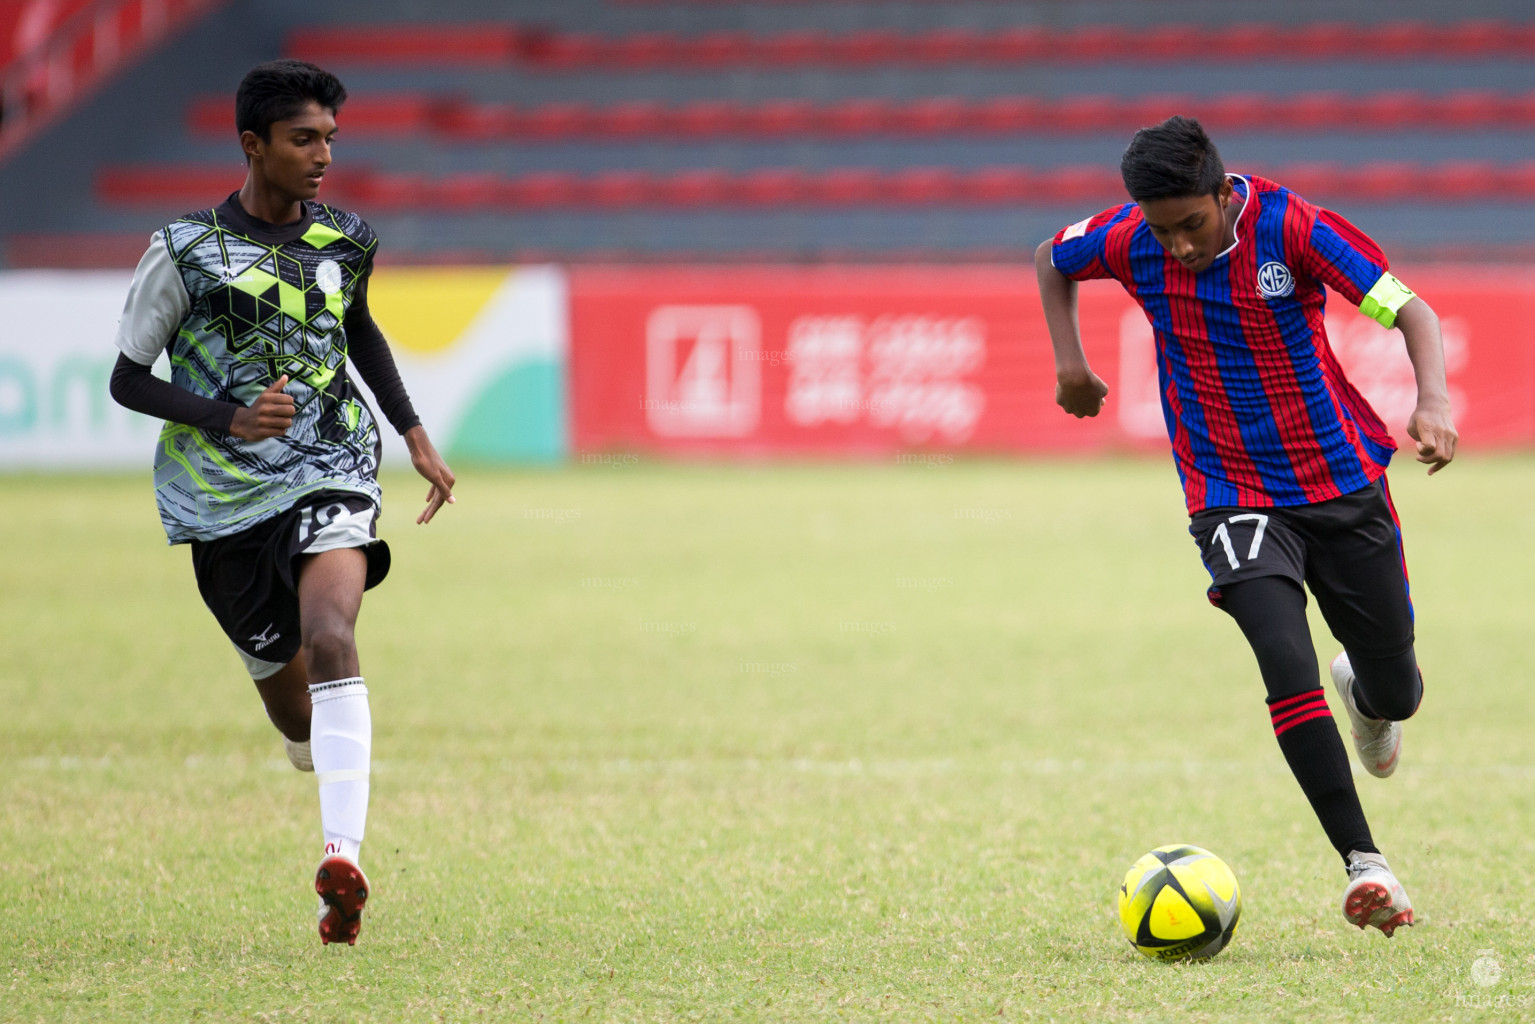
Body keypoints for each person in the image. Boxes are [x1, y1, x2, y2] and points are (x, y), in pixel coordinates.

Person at [1036, 116, 1457, 938]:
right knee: (1279, 654)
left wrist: (1432, 401)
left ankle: (1369, 699)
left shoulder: (1291, 228)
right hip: (1227, 490)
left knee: (1396, 690)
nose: (1178, 246)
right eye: (1163, 230)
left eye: (1190, 225)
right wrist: (1068, 363)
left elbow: (1411, 312)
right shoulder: (1130, 238)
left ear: (1225, 197)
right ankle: (1364, 865)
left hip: (1339, 481)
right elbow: (1053, 257)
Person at [108, 59, 456, 946]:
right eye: (304, 138)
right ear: (252, 144)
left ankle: (343, 860)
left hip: (332, 461)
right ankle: (314, 755)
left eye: (331, 139)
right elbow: (126, 379)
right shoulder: (185, 250)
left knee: (334, 635)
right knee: (294, 707)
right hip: (220, 501)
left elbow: (359, 328)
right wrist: (229, 416)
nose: (323, 155)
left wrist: (410, 431)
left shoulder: (346, 238)